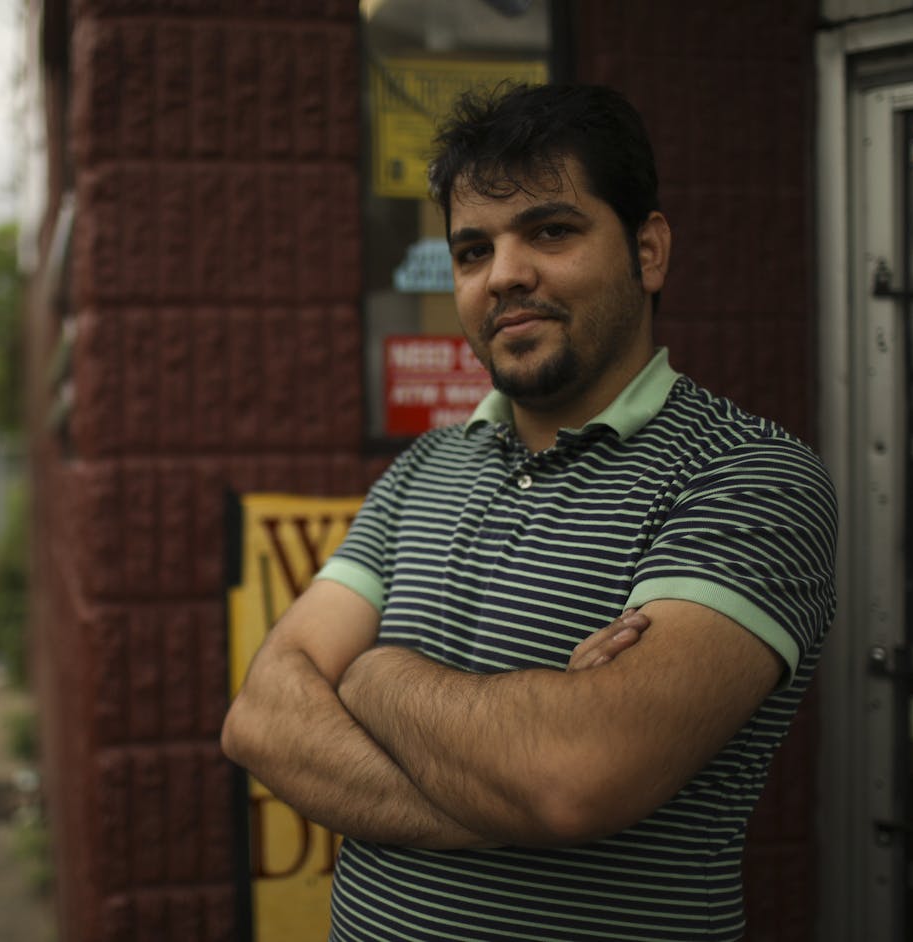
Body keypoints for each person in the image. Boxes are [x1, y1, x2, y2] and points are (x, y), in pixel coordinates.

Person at [221, 82, 837, 942]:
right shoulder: (422, 470)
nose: (504, 274)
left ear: (648, 250)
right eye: (473, 251)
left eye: (550, 230)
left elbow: (572, 777)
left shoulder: (748, 479)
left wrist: (370, 677)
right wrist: (513, 794)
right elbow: (260, 718)